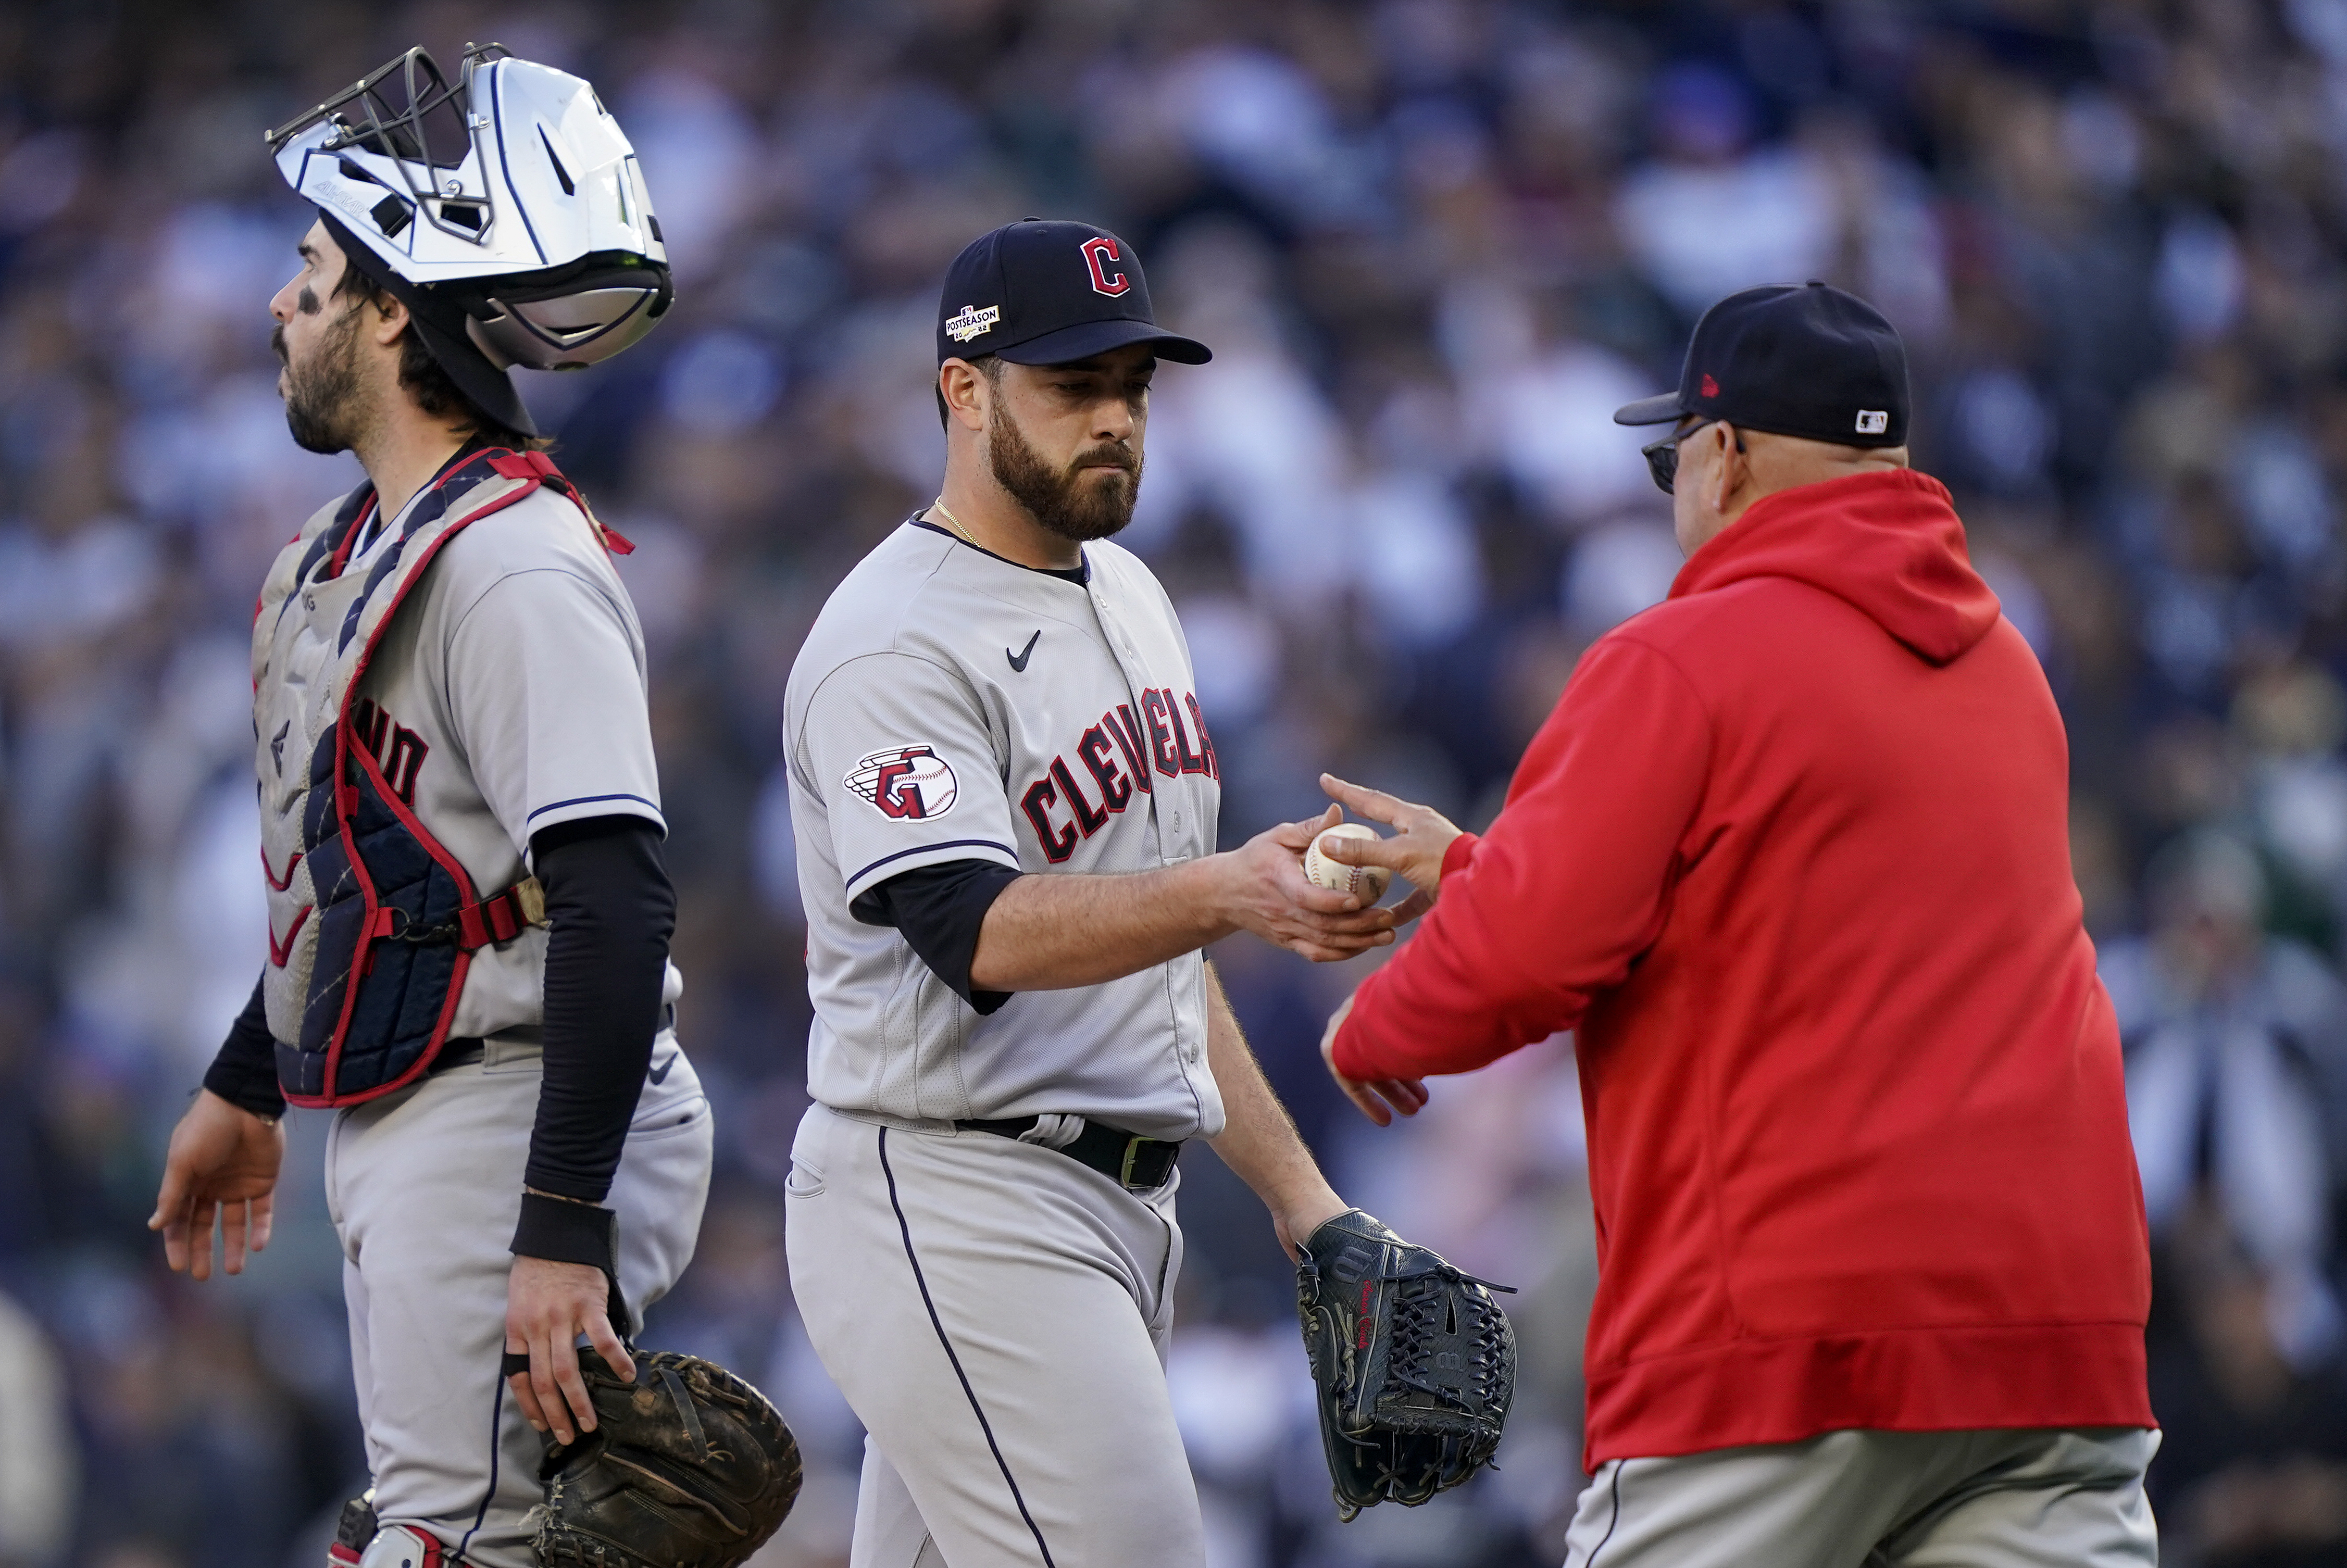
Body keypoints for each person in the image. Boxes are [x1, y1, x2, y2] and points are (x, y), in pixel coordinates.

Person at [1312, 282, 2160, 1565]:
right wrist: (1483, 863)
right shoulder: (2007, 667)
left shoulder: (1682, 657)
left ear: (1727, 452)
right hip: (2053, 1346)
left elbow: (1534, 954)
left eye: (1671, 455)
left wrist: (1373, 1027)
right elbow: (1786, 905)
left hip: (1790, 1343)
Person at [145, 47, 712, 1568]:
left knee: (449, 1549)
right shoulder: (349, 552)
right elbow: (382, 880)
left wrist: (559, 1223)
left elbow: (614, 899)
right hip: (428, 1099)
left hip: (517, 1107)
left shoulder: (514, 561)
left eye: (314, 271)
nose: (282, 301)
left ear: (397, 309)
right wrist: (250, 1079)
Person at [780, 219, 1397, 1566]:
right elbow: (977, 930)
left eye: (1133, 385)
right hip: (957, 1198)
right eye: (1072, 386)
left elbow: (1155, 949)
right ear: (962, 388)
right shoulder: (892, 639)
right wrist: (1228, 890)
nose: (1114, 418)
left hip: (1117, 1210)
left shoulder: (1129, 589)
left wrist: (1306, 1202)